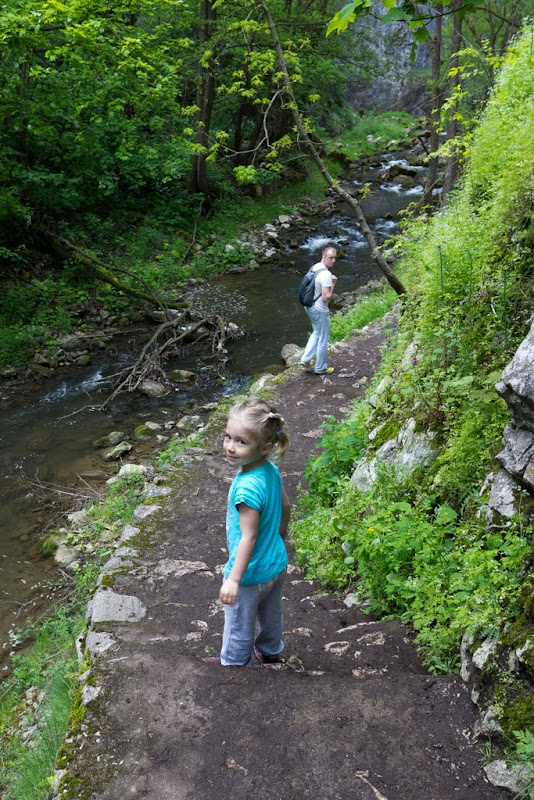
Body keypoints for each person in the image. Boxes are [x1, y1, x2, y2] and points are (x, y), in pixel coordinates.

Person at [214, 397, 291, 667]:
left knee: (238, 625)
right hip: (276, 563)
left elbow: (249, 536)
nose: (230, 448)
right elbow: (285, 505)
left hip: (250, 575)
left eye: (241, 442)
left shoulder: (246, 489)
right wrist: (280, 536)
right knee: (272, 614)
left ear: (265, 447)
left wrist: (234, 580)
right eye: (228, 437)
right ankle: (270, 650)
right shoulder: (270, 470)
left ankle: (235, 667)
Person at [299, 244, 338, 374]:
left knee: (316, 332)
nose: (333, 260)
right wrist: (333, 283)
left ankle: (305, 359)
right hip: (319, 310)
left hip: (308, 306)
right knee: (323, 338)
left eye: (334, 258)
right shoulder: (326, 274)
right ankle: (320, 367)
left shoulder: (315, 267)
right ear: (324, 256)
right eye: (331, 258)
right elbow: (326, 297)